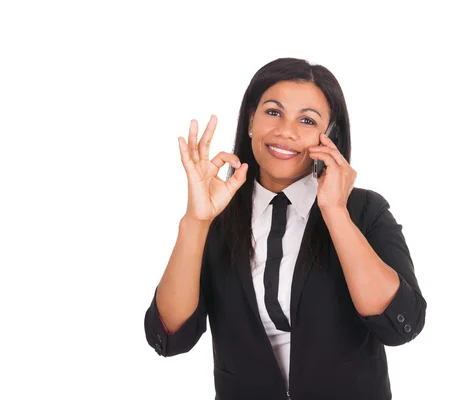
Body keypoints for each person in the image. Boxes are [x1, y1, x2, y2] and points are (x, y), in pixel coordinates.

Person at [143, 57, 427, 400]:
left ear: (330, 135)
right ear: (251, 121)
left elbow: (400, 325)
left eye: (306, 120)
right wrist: (196, 221)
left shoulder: (365, 210)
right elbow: (172, 336)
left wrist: (335, 211)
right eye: (273, 112)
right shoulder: (219, 217)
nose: (286, 131)